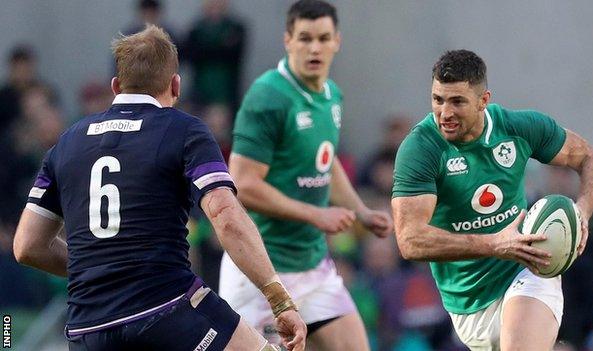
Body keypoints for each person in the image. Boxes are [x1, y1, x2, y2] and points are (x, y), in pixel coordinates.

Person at [12, 25, 306, 351]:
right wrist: (278, 299)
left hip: (88, 328)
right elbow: (223, 211)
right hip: (167, 309)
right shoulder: (183, 130)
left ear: (116, 86)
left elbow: (27, 245)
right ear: (175, 85)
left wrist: (102, 274)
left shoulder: (66, 142)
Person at [391, 49, 593, 350]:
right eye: (438, 100)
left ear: (483, 100)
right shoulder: (421, 149)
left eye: (457, 101)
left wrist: (582, 211)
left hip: (526, 270)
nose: (445, 112)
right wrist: (494, 244)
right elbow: (410, 240)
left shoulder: (518, 128)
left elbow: (592, 159)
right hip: (467, 305)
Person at [220, 1, 393, 350]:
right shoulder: (268, 96)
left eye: (323, 38)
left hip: (313, 268)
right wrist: (317, 214)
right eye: (305, 38)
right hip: (261, 272)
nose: (315, 47)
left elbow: (324, 165)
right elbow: (243, 184)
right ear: (288, 40)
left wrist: (361, 211)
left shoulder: (332, 96)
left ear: (336, 42)